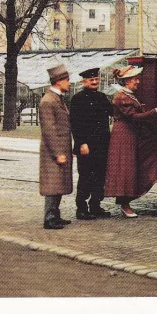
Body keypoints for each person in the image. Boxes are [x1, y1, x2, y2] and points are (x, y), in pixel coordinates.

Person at [104, 66, 157, 218]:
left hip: (129, 133)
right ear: (127, 81)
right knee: (126, 168)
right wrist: (155, 112)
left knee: (130, 167)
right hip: (124, 135)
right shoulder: (122, 97)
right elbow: (134, 117)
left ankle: (124, 200)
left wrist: (154, 131)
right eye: (135, 79)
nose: (138, 82)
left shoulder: (129, 95)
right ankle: (124, 203)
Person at [69, 67, 112, 220]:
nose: (94, 82)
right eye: (91, 80)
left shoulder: (102, 97)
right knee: (86, 176)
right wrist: (81, 143)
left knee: (100, 176)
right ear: (84, 81)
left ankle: (95, 205)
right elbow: (75, 124)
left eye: (96, 79)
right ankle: (81, 208)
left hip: (102, 144)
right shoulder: (77, 99)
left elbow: (113, 112)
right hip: (86, 146)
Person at [38, 64, 73, 230]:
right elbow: (49, 130)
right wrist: (58, 152)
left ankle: (55, 215)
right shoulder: (48, 101)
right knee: (52, 184)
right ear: (59, 81)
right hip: (53, 151)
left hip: (61, 149)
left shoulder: (56, 99)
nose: (69, 84)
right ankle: (49, 218)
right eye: (67, 80)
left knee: (58, 183)